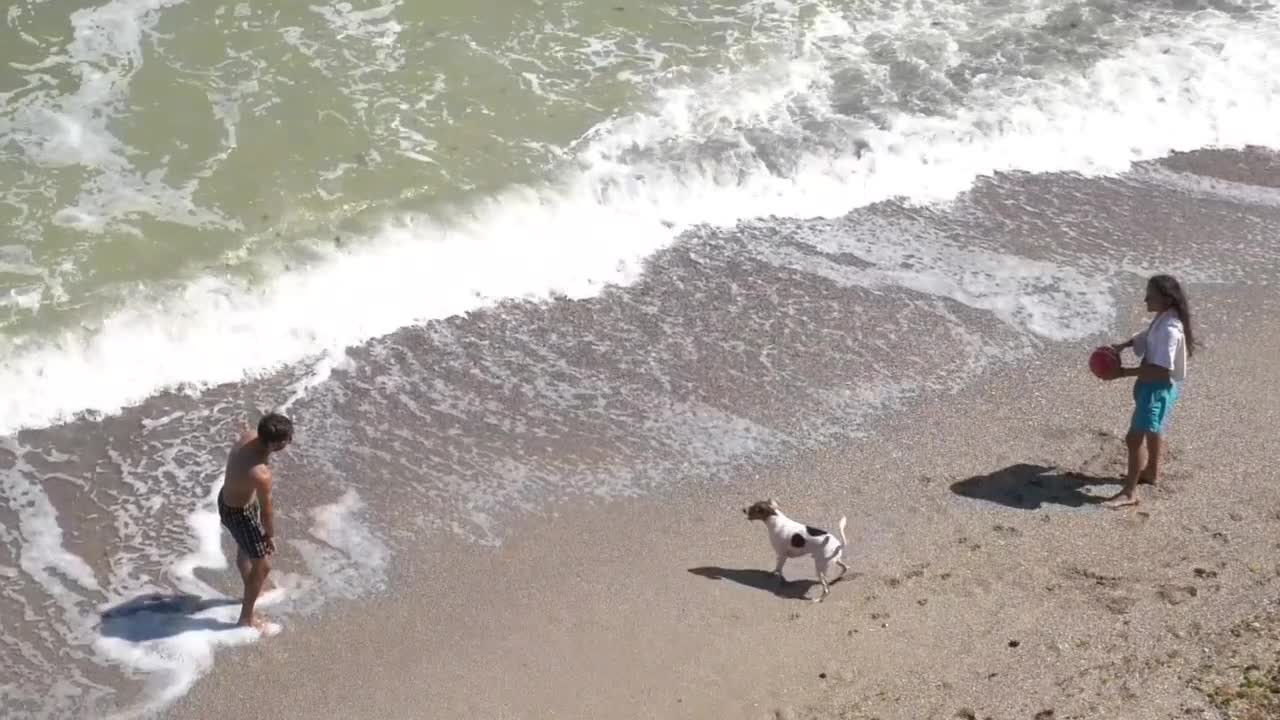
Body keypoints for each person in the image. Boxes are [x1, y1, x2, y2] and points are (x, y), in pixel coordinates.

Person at [1102, 275, 1195, 509]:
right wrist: (1124, 345)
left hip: (1157, 388)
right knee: (1154, 429)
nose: (1145, 299)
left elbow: (1162, 371)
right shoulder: (1165, 317)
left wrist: (1122, 373)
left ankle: (1129, 492)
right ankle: (1152, 472)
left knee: (1134, 438)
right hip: (1159, 387)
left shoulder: (1170, 330)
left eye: (1150, 295)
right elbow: (1147, 336)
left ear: (1166, 298)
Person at [219, 412, 293, 629]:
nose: (289, 442)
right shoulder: (261, 474)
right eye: (287, 440)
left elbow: (243, 428)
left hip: (227, 500)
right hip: (239, 514)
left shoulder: (248, 437)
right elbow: (266, 511)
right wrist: (269, 535)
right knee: (263, 565)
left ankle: (251, 585)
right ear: (276, 444)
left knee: (246, 549)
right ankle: (246, 619)